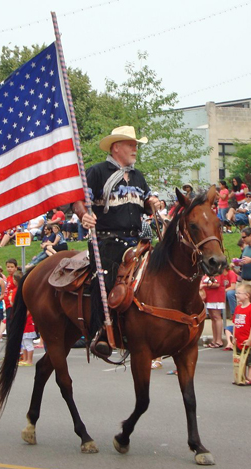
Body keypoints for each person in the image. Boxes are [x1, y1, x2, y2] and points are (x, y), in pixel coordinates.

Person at [72, 125, 158, 358]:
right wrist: (84, 215)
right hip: (107, 239)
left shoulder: (138, 175)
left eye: (136, 145)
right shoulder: (98, 172)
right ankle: (100, 331)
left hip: (137, 239)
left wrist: (154, 203)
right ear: (116, 147)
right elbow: (79, 199)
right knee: (107, 278)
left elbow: (146, 199)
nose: (135, 149)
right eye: (131, 145)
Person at [232, 284, 251, 386]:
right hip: (239, 340)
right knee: (239, 360)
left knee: (250, 360)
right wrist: (234, 337)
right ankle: (240, 376)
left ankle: (250, 377)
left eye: (239, 293)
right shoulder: (238, 308)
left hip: (248, 340)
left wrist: (250, 339)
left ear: (247, 295)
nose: (236, 295)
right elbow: (235, 323)